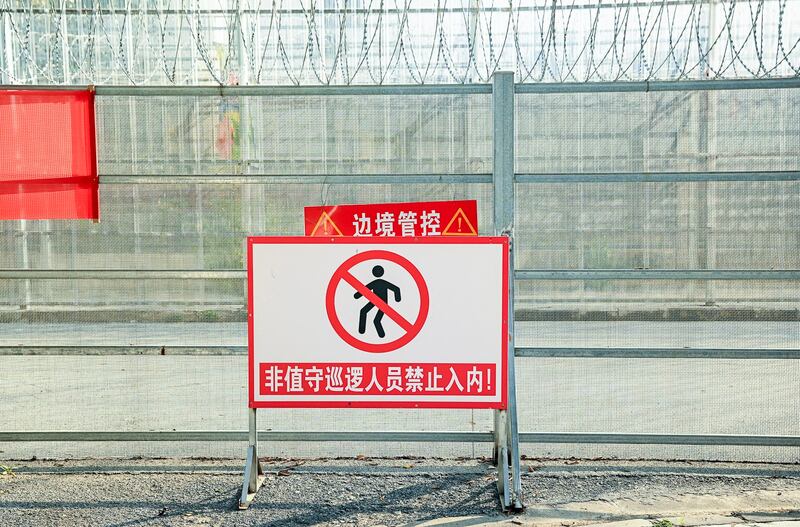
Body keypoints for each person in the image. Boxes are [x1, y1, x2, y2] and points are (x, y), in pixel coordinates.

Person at [354, 265, 401, 338]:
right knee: (366, 313)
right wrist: (397, 298)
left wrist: (356, 296)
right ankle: (362, 330)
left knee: (373, 318)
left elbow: (364, 290)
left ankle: (366, 331)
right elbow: (396, 289)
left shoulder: (376, 282)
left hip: (381, 303)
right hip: (376, 301)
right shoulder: (380, 282)